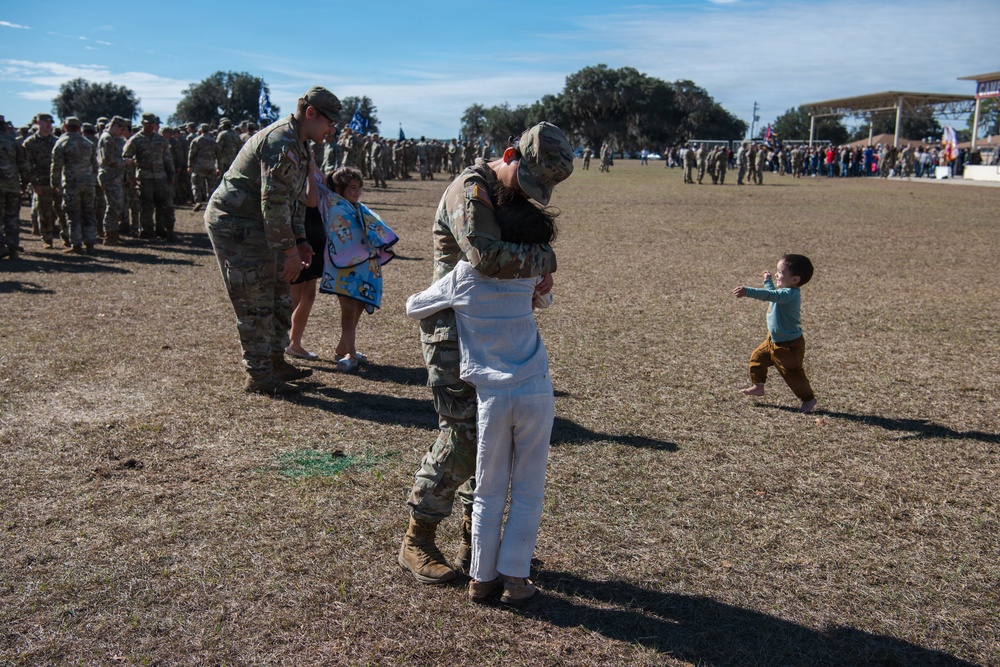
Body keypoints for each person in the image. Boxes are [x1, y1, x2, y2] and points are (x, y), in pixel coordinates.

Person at [399, 121, 573, 586]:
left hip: (493, 334)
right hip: (452, 332)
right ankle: (418, 538)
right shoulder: (470, 190)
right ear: (509, 154)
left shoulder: (508, 192)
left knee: (494, 441)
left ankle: (480, 545)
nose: (532, 194)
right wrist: (546, 260)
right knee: (463, 437)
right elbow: (488, 258)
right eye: (529, 180)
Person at [204, 86, 341, 395]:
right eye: (329, 122)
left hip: (264, 223)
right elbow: (274, 204)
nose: (332, 130)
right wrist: (289, 250)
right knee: (255, 299)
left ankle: (275, 360)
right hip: (237, 224)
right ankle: (259, 374)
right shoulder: (281, 142)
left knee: (280, 294)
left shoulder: (301, 144)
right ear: (310, 113)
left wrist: (301, 240)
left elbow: (292, 201)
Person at [318, 166, 398, 372]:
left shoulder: (354, 206)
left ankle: (342, 348)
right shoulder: (335, 207)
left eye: (359, 187)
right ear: (340, 188)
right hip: (343, 265)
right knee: (348, 309)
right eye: (352, 188)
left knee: (360, 304)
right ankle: (350, 355)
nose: (357, 192)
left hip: (363, 264)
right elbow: (345, 235)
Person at [732, 254, 816, 413]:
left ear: (795, 280)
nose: (777, 274)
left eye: (781, 272)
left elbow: (770, 295)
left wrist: (747, 291)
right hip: (773, 340)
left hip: (788, 346)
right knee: (757, 358)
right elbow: (772, 293)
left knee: (792, 375)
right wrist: (767, 281)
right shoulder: (784, 293)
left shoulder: (790, 295)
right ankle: (758, 386)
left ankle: (808, 399)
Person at [286, 157, 328, 361]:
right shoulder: (293, 173)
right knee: (294, 296)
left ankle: (295, 343)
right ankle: (280, 343)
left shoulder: (309, 165)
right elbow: (311, 200)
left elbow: (325, 182)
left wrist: (312, 165)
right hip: (300, 234)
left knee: (308, 295)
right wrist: (310, 170)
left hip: (315, 234)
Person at [50, 116, 99, 254]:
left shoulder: (62, 143)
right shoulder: (88, 143)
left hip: (72, 184)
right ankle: (90, 243)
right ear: (79, 128)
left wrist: (54, 183)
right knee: (89, 213)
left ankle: (76, 244)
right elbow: (95, 166)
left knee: (73, 215)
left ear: (65, 127)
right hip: (88, 183)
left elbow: (56, 166)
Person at [122, 113, 175, 240]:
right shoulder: (135, 140)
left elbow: (167, 158)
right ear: (142, 123)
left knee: (164, 205)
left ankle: (163, 230)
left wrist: (171, 174)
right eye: (147, 123)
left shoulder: (161, 140)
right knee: (146, 206)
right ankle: (147, 231)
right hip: (144, 178)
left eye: (152, 124)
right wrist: (131, 176)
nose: (150, 126)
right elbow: (126, 158)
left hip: (161, 177)